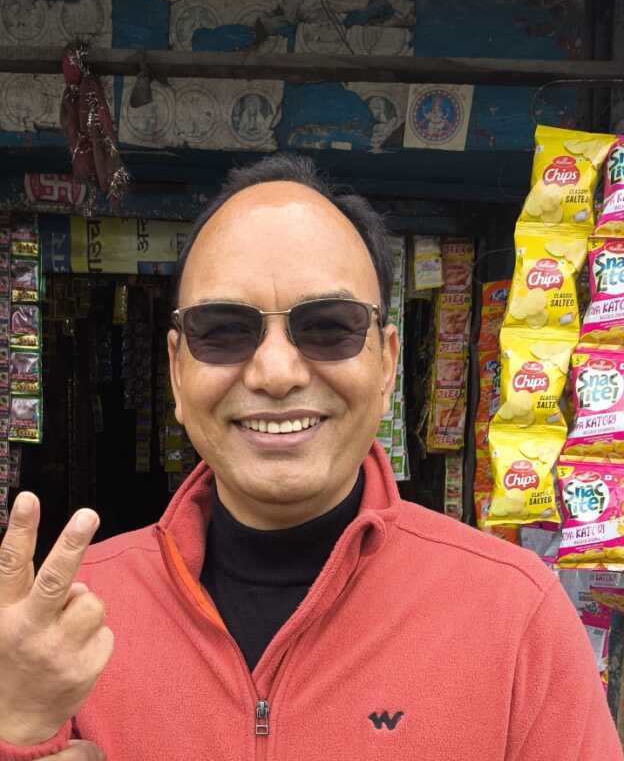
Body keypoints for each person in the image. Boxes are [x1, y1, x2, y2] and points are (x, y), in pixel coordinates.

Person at [0, 154, 622, 761]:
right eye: (224, 329)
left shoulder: (515, 618)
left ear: (387, 364)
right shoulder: (59, 626)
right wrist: (16, 731)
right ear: (177, 371)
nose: (276, 372)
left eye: (328, 326)